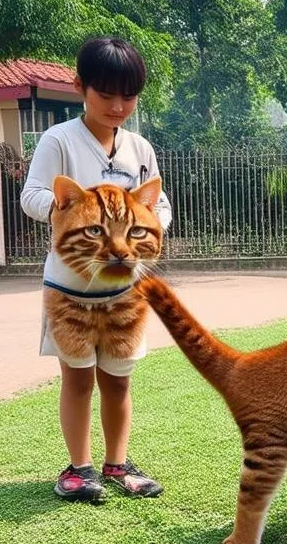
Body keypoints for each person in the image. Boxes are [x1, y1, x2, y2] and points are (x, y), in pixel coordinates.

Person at [20, 37, 173, 503]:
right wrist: (75, 209)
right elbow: (32, 196)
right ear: (79, 86)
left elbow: (159, 203)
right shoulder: (59, 140)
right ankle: (79, 468)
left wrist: (147, 225)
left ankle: (117, 463)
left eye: (128, 96)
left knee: (119, 378)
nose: (118, 105)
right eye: (106, 94)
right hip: (71, 285)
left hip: (124, 284)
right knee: (78, 377)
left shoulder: (139, 146)